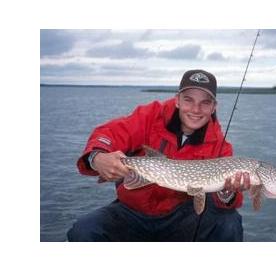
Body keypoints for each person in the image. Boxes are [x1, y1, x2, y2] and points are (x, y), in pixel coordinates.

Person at [67, 69, 250, 242]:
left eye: (205, 103)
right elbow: (110, 133)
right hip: (132, 212)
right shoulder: (150, 115)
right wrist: (97, 157)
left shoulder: (220, 145)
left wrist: (228, 192)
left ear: (213, 107)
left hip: (181, 216)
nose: (196, 109)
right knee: (83, 230)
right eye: (188, 100)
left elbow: (226, 203)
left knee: (229, 222)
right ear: (177, 100)